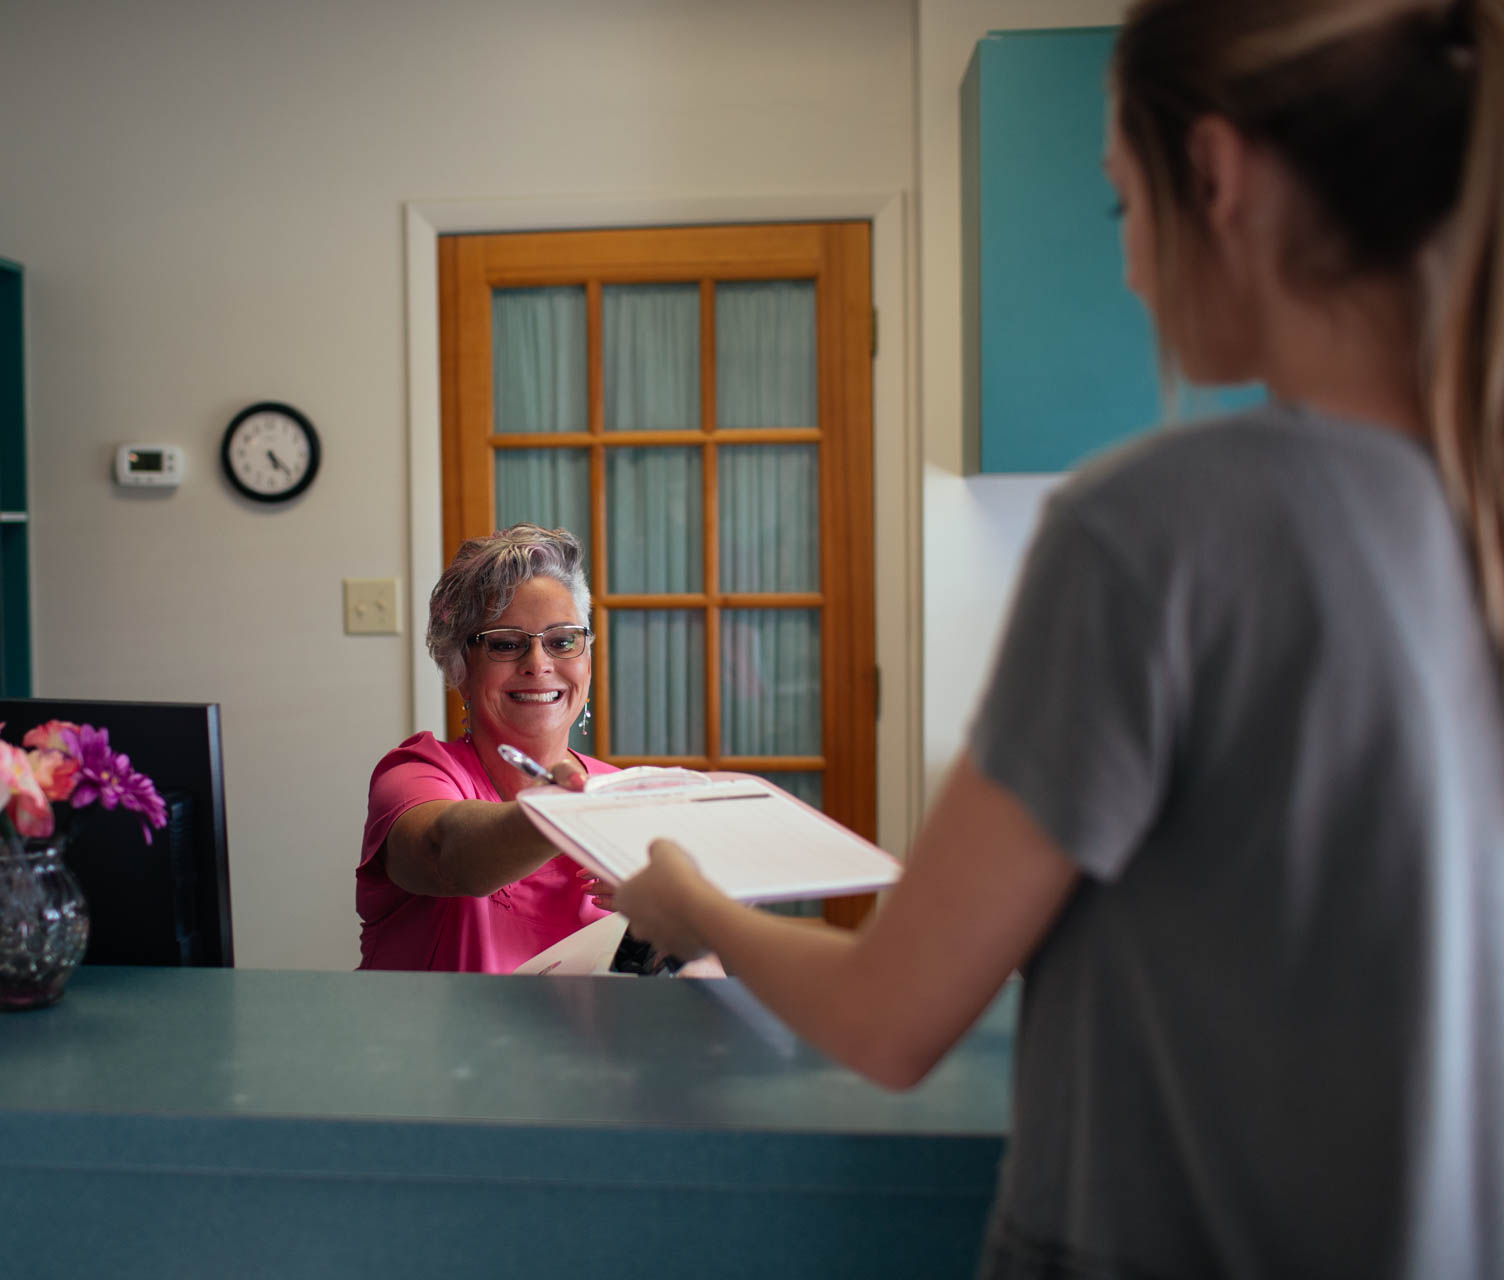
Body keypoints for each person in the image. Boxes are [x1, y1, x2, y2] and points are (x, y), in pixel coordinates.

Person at [612, 1, 1504, 1275]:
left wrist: (691, 901)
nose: (1133, 266)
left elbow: (891, 1018)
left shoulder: (1159, 527)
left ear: (1216, 173)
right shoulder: (1474, 519)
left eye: (1119, 207)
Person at [356, 524, 616, 972]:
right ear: (460, 668)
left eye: (562, 641)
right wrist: (566, 815)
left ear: (587, 661)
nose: (538, 664)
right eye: (506, 644)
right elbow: (447, 854)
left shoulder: (619, 792)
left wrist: (681, 916)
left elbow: (695, 970)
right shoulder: (414, 775)